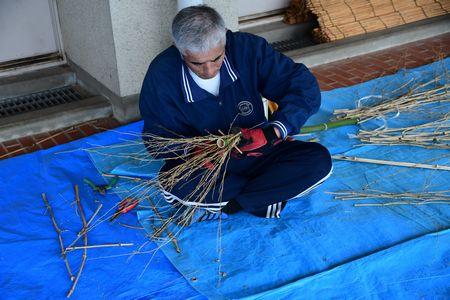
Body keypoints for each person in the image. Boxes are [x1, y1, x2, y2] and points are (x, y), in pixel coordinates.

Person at [139, 5, 332, 224]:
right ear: (180, 51)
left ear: (225, 42)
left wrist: (274, 132)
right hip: (208, 166)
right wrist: (195, 149)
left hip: (260, 150)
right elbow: (156, 139)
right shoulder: (162, 75)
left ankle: (231, 205)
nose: (209, 70)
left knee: (319, 161)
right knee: (172, 183)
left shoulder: (247, 49)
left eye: (216, 59)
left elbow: (302, 86)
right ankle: (262, 197)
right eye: (197, 63)